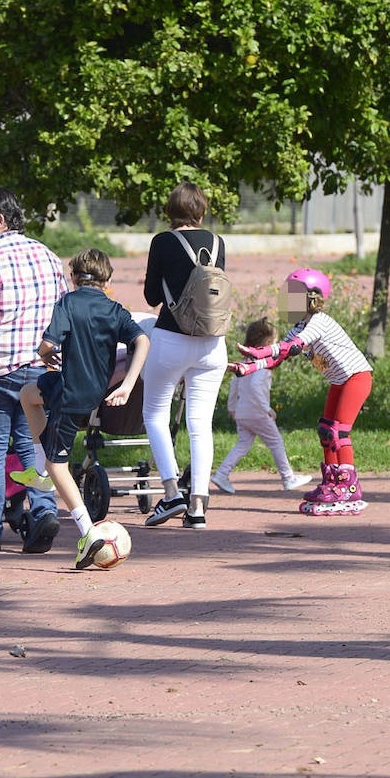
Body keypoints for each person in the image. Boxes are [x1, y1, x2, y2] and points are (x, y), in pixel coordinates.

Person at [10, 248, 151, 568]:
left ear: (72, 277)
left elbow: (47, 345)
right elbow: (142, 341)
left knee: (59, 464)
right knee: (29, 393)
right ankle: (39, 469)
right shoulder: (114, 310)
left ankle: (88, 532)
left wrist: (46, 355)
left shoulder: (68, 303)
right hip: (88, 391)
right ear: (108, 280)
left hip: (71, 397)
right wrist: (127, 385)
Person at [0, 187, 68, 552]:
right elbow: (62, 310)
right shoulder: (49, 257)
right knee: (33, 443)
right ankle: (42, 512)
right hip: (41, 367)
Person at [229, 268, 373, 516]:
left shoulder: (320, 322)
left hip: (356, 377)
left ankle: (348, 486)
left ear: (311, 298)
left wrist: (257, 352)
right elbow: (280, 355)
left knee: (338, 431)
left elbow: (293, 347)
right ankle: (331, 483)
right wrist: (248, 367)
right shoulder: (298, 327)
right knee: (326, 429)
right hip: (339, 381)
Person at [141, 181, 228, 530]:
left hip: (171, 339)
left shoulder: (162, 241)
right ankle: (197, 506)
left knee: (154, 414)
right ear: (202, 210)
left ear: (170, 211)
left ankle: (171, 491)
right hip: (212, 343)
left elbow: (150, 297)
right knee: (200, 424)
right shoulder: (219, 243)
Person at [210, 317, 314, 496]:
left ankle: (221, 475)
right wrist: (266, 408)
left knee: (242, 445)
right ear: (265, 344)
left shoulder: (243, 363)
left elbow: (234, 386)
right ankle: (288, 478)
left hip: (242, 412)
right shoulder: (263, 366)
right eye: (273, 343)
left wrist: (232, 408)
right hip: (257, 413)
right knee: (276, 442)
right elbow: (255, 386)